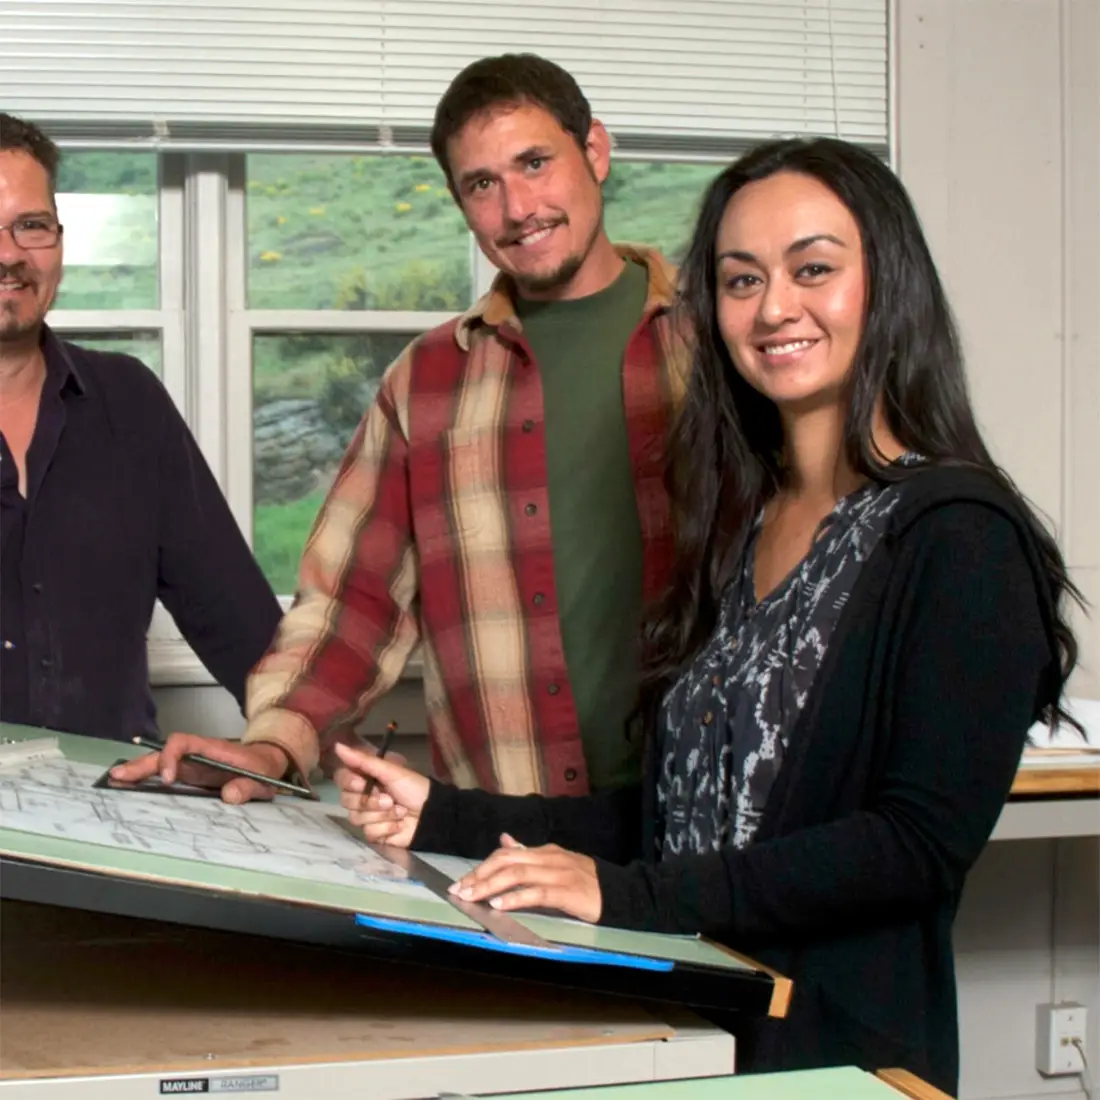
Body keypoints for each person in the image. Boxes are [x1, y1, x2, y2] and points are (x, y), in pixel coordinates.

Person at [329, 137, 1081, 1094]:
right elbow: (685, 814)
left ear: (888, 284)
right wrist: (447, 813)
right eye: (739, 279)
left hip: (836, 1053)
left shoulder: (958, 534)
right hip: (697, 1028)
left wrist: (626, 894)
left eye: (814, 269)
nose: (774, 308)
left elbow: (914, 846)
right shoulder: (748, 524)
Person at [113, 54, 687, 800]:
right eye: (482, 184)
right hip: (502, 842)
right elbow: (353, 602)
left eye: (536, 163)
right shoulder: (427, 381)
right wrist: (274, 747)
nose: (517, 208)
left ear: (596, 151)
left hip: (707, 835)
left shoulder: (716, 349)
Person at [0, 112, 283, 741]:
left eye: (32, 225)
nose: (10, 254)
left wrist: (314, 747)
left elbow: (240, 625)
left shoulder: (129, 403)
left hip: (114, 817)